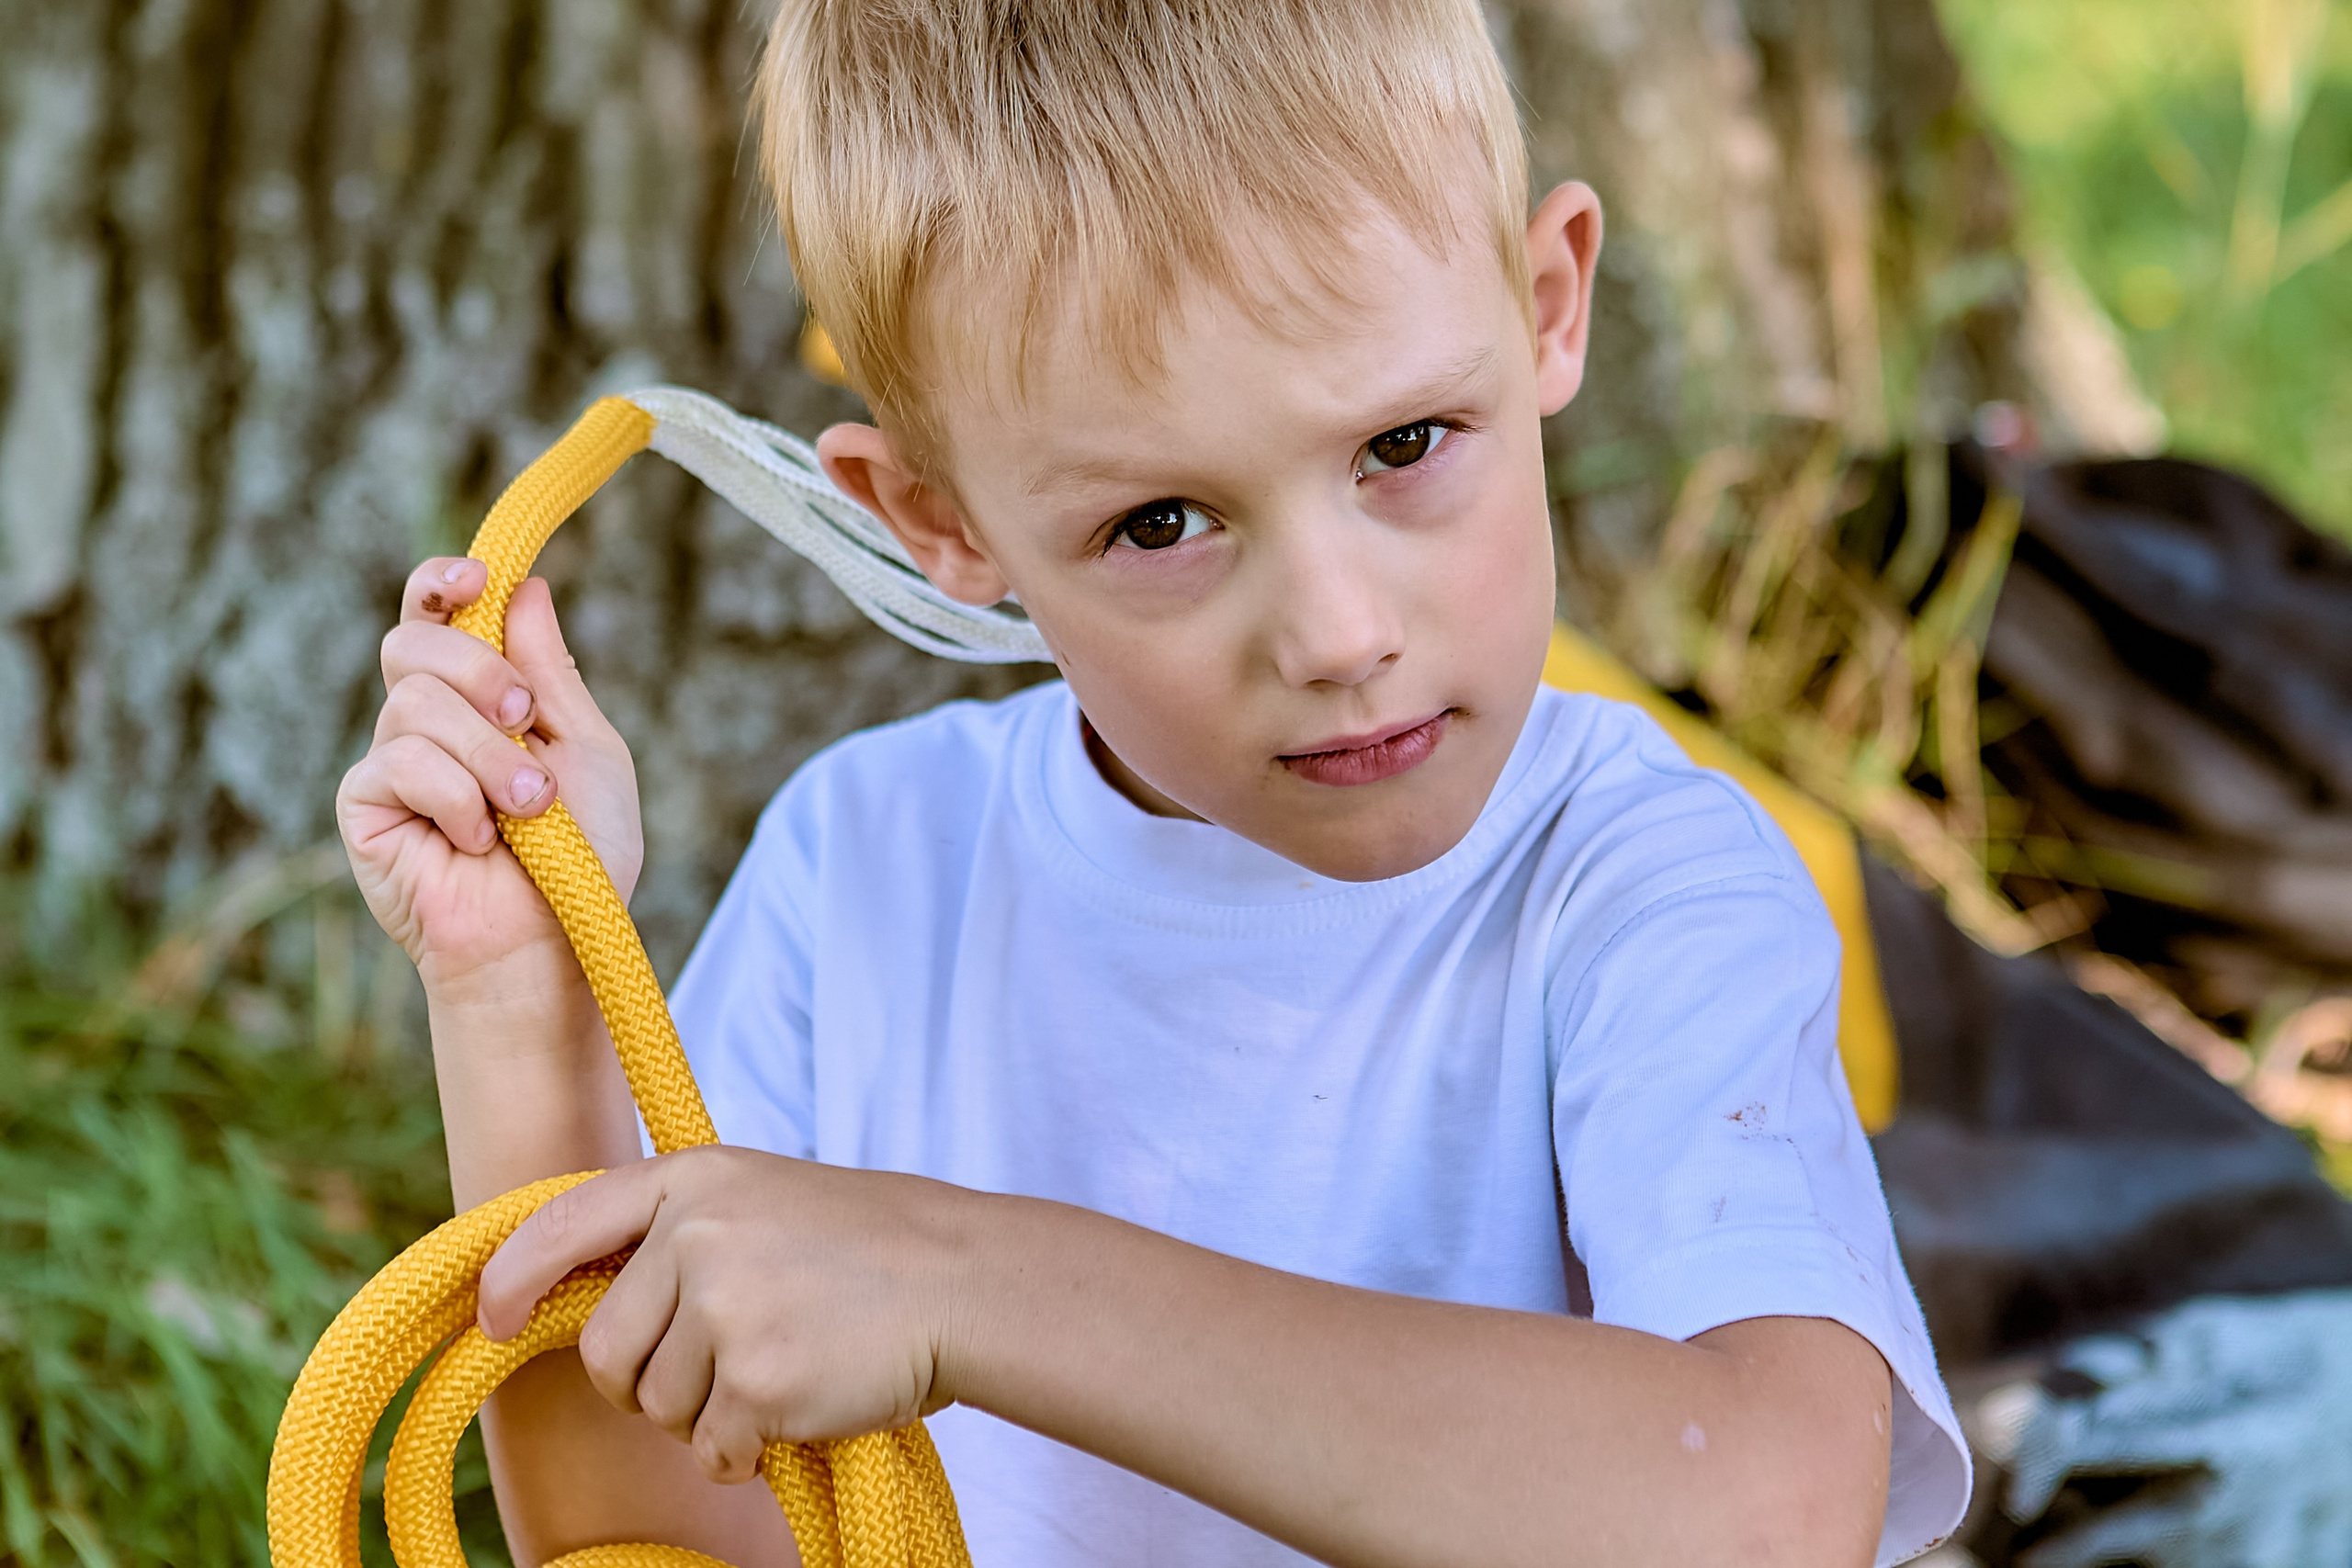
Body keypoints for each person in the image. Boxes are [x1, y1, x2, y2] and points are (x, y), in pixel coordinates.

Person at [334, 2, 1969, 1562]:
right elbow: (657, 1552)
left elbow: (1761, 1513)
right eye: (1161, 525)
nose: (1338, 636)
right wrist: (523, 1010)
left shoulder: (1637, 884)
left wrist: (965, 1290)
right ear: (941, 523)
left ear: (1547, 302)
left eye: (1403, 446)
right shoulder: (867, 873)